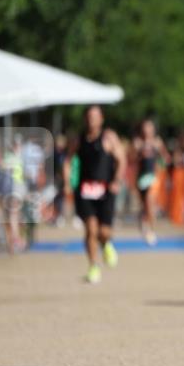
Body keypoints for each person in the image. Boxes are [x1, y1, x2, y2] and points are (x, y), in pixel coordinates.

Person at [65, 105, 127, 284]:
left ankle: (106, 244)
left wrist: (117, 180)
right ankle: (93, 266)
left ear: (102, 119)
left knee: (104, 232)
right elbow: (68, 160)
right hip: (85, 191)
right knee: (91, 229)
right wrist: (68, 183)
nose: (92, 120)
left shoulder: (109, 137)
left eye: (95, 116)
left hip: (105, 190)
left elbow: (121, 159)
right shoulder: (78, 139)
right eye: (89, 116)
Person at [133, 118, 169, 245]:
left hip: (154, 177)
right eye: (145, 127)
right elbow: (131, 158)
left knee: (150, 202)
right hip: (141, 177)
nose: (147, 130)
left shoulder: (157, 142)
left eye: (149, 127)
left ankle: (151, 230)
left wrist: (161, 162)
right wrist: (138, 151)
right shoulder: (137, 142)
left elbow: (166, 158)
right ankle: (143, 221)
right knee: (144, 205)